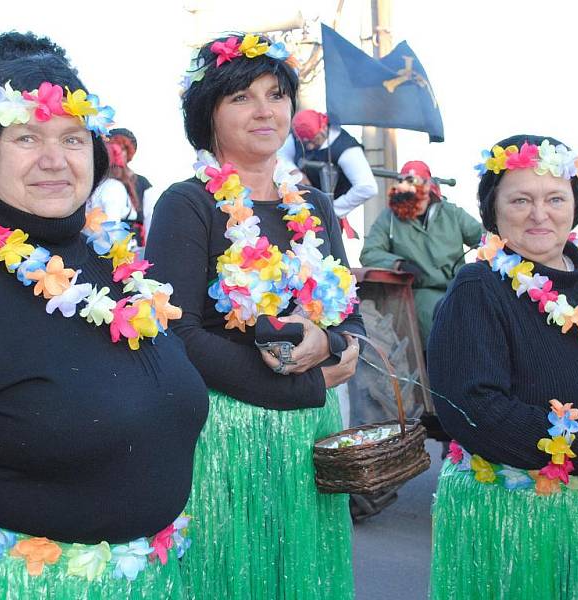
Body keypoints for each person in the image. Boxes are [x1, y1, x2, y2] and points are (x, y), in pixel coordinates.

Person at [0, 32, 209, 599]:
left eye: (73, 139)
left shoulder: (117, 263)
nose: (55, 160)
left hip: (153, 582)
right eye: (27, 137)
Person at [145, 33, 364, 599]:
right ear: (208, 116)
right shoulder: (187, 202)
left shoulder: (313, 205)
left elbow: (349, 320)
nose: (265, 110)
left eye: (276, 94)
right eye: (241, 98)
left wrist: (331, 345)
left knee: (302, 577)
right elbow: (176, 335)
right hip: (222, 438)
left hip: (309, 436)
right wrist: (304, 382)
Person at [428, 134, 578, 599]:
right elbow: (473, 411)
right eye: (521, 200)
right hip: (520, 524)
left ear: (573, 205)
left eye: (554, 198)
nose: (540, 214)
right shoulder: (478, 289)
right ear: (493, 211)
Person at [360, 160, 483, 347]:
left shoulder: (452, 214)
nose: (410, 193)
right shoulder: (390, 218)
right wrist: (398, 263)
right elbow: (370, 252)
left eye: (416, 185)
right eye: (405, 184)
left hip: (459, 287)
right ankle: (435, 364)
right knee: (438, 318)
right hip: (418, 292)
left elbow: (483, 239)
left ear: (428, 186)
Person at [278, 109, 377, 236]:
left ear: (323, 129)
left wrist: (332, 209)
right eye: (305, 143)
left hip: (327, 219)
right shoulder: (296, 137)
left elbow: (367, 187)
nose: (309, 147)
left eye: (314, 141)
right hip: (298, 212)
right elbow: (281, 155)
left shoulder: (346, 149)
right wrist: (294, 171)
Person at [108, 127, 156, 244]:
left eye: (123, 148)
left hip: (134, 250)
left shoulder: (142, 184)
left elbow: (151, 221)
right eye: (114, 147)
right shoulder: (98, 182)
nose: (117, 152)